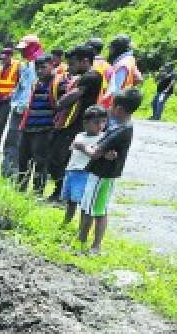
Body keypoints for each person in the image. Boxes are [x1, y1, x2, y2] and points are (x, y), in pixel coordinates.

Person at [78, 88, 141, 255]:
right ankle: (84, 241)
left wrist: (81, 146)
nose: (109, 109)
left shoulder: (120, 130)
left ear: (119, 109)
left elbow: (96, 152)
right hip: (101, 173)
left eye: (112, 106)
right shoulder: (120, 125)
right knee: (90, 207)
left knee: (94, 210)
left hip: (102, 175)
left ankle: (91, 245)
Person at [47, 45, 104, 201]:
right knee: (58, 157)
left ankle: (62, 194)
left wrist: (58, 104)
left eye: (72, 63)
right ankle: (60, 193)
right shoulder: (84, 76)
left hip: (77, 124)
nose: (70, 67)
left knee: (60, 158)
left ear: (85, 61)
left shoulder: (92, 76)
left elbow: (76, 94)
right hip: (72, 122)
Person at [1, 33, 43, 179]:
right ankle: (11, 172)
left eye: (25, 49)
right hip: (21, 108)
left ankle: (11, 173)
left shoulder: (36, 65)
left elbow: (30, 89)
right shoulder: (28, 64)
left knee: (15, 143)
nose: (22, 52)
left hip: (23, 111)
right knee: (15, 143)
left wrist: (22, 107)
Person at [61, 104, 107, 226]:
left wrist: (81, 147)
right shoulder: (79, 135)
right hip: (72, 171)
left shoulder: (102, 138)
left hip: (86, 173)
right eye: (96, 122)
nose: (100, 126)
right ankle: (67, 221)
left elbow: (95, 154)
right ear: (86, 123)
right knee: (71, 200)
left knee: (85, 203)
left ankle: (82, 227)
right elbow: (72, 149)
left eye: (103, 122)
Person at [17, 54, 56, 194]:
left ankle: (37, 191)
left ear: (52, 66)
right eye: (37, 68)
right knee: (23, 160)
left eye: (43, 67)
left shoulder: (56, 83)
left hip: (44, 129)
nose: (40, 71)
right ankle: (20, 188)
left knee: (40, 161)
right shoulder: (36, 83)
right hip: (28, 127)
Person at [100, 34, 141, 110]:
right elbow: (139, 78)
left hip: (113, 106)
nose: (110, 52)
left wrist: (101, 107)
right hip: (122, 105)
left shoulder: (122, 64)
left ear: (117, 49)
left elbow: (114, 90)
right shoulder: (130, 60)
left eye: (111, 49)